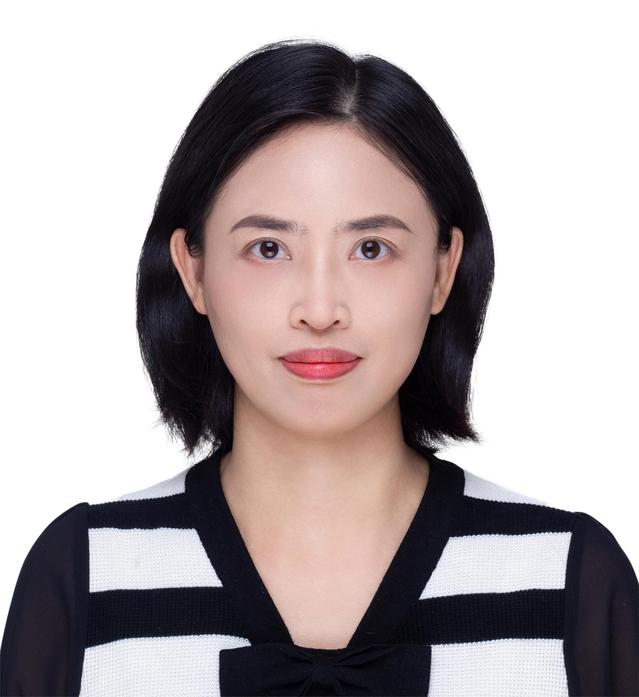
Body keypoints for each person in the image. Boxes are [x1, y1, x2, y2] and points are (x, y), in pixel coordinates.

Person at [1, 38, 637, 697]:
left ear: (442, 270)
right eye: (268, 248)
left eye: (371, 248)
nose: (320, 309)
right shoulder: (84, 576)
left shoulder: (570, 582)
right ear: (193, 270)